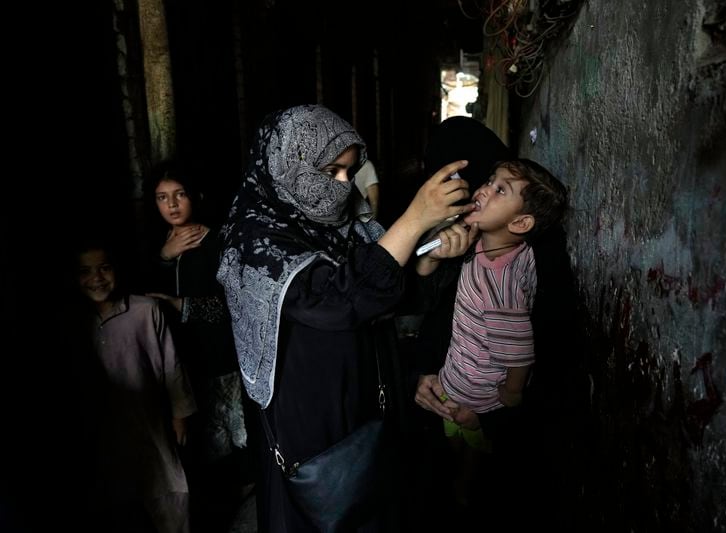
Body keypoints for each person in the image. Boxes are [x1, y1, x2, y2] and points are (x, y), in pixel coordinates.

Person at [216, 104, 472, 532]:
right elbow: (337, 300)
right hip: (311, 411)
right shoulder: (253, 237)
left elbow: (384, 287)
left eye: (349, 172)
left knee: (372, 497)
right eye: (331, 170)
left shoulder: (342, 215)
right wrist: (413, 221)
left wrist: (425, 258)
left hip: (367, 391)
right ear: (288, 164)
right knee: (323, 501)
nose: (341, 185)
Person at [413, 159, 569, 520]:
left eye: (500, 190)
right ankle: (464, 480)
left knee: (463, 441)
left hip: (472, 390)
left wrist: (509, 396)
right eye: (490, 181)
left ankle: (462, 492)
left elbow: (519, 354)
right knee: (468, 445)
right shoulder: (509, 249)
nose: (483, 189)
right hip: (466, 374)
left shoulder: (499, 286)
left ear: (519, 223)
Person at [145, 162, 250, 532]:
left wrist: (182, 306)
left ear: (195, 196)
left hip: (222, 359)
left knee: (233, 440)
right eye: (162, 197)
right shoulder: (153, 243)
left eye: (179, 194)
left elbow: (238, 302)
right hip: (178, 362)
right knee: (195, 443)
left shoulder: (220, 240)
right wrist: (163, 258)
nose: (172, 205)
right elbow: (143, 298)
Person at [75, 239, 196, 533]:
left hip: (148, 419)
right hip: (102, 427)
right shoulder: (72, 321)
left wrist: (180, 414)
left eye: (104, 268)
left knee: (169, 491)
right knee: (116, 496)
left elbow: (171, 364)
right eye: (86, 271)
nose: (97, 278)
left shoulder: (145, 310)